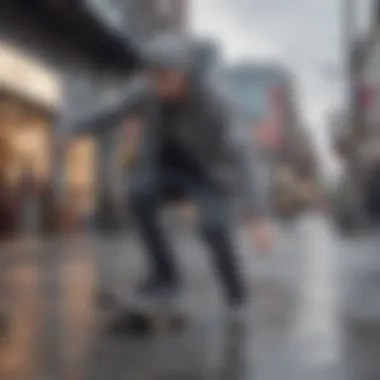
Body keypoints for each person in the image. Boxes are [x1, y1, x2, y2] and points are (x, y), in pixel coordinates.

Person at [59, 33, 273, 315]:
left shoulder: (216, 102)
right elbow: (113, 111)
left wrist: (256, 215)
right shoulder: (146, 89)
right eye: (153, 76)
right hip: (167, 169)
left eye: (165, 77)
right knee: (139, 192)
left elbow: (244, 155)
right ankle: (165, 277)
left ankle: (235, 291)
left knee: (213, 228)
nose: (157, 85)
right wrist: (71, 130)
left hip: (211, 175)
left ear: (183, 73)